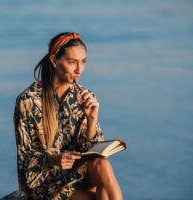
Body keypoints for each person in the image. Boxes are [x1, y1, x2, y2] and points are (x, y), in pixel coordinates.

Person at [13, 32, 123, 200]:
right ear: (54, 60)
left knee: (102, 164)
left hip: (77, 174)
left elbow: (94, 152)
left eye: (83, 62)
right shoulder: (28, 101)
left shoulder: (84, 95)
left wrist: (92, 118)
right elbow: (24, 160)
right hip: (47, 184)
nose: (79, 70)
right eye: (72, 62)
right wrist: (53, 160)